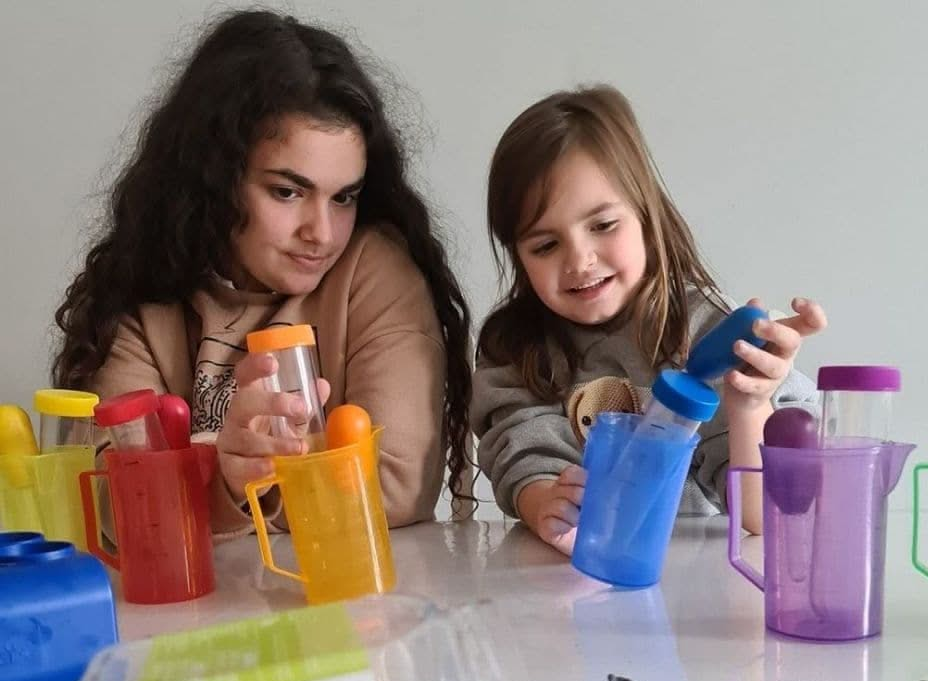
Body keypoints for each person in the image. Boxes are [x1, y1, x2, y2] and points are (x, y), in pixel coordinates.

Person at [52, 9, 471, 537]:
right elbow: (121, 507)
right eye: (287, 191)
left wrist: (213, 482)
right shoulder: (140, 295)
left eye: (344, 197)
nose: (320, 231)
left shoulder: (375, 273)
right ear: (214, 178)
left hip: (358, 607)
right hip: (191, 615)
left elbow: (395, 485)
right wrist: (227, 472)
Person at [471, 85, 825, 555]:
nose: (580, 260)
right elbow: (523, 454)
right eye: (545, 245)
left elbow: (760, 518)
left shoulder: (704, 330)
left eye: (602, 226)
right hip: (564, 584)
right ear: (518, 256)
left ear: (645, 214)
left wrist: (748, 405)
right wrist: (542, 504)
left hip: (688, 586)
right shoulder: (514, 345)